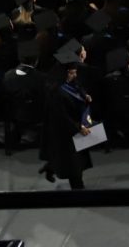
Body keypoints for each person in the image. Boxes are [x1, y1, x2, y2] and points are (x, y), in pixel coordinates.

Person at [41, 61, 95, 190]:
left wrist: (85, 95)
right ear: (63, 73)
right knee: (74, 164)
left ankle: (50, 167)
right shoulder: (55, 92)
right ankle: (78, 189)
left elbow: (78, 88)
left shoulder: (70, 83)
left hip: (74, 125)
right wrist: (78, 127)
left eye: (75, 72)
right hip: (64, 131)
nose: (74, 75)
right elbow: (61, 116)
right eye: (71, 73)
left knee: (71, 159)